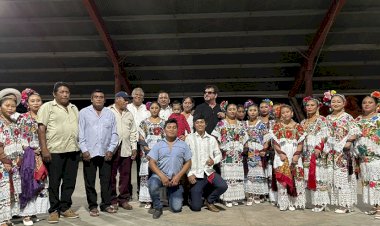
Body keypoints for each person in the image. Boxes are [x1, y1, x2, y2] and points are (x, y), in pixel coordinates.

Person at [37, 82, 80, 223]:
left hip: (73, 150)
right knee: (54, 182)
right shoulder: (47, 107)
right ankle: (54, 210)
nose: (65, 94)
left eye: (67, 92)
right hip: (54, 151)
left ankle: (65, 207)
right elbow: (41, 129)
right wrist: (44, 149)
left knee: (69, 182)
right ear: (54, 94)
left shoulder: (74, 108)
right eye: (61, 92)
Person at [79, 89, 119, 217]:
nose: (98, 99)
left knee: (106, 181)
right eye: (96, 97)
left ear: (104, 99)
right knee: (90, 181)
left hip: (105, 153)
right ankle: (93, 206)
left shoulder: (110, 113)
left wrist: (111, 149)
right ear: (91, 99)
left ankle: (106, 204)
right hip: (89, 153)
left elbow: (114, 133)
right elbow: (80, 133)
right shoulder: (84, 112)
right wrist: (84, 150)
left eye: (101, 97)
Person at [323, 90, 361, 214]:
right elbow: (325, 134)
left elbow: (355, 131)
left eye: (338, 101)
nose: (336, 103)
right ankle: (340, 202)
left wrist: (348, 142)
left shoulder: (347, 117)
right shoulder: (328, 118)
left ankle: (347, 205)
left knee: (343, 178)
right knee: (335, 178)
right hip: (332, 151)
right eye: (333, 101)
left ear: (344, 103)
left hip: (343, 152)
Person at [147, 119, 192, 219]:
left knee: (176, 208)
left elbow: (188, 162)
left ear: (177, 130)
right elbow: (152, 162)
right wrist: (162, 176)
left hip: (176, 179)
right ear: (164, 130)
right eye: (169, 127)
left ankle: (171, 192)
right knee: (152, 184)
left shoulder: (183, 145)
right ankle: (158, 207)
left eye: (174, 127)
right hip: (160, 176)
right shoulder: (158, 145)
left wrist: (179, 176)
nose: (171, 130)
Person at [18, 88, 49, 226]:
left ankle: (35, 211)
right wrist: (33, 149)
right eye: (33, 101)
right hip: (30, 156)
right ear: (27, 103)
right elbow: (21, 137)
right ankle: (26, 214)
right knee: (28, 182)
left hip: (44, 154)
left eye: (38, 100)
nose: (36, 103)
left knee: (41, 182)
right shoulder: (23, 118)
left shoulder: (45, 117)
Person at [186, 115, 227, 212]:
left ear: (206, 124)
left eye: (202, 122)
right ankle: (191, 196)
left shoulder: (211, 139)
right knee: (196, 208)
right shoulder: (189, 138)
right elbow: (185, 158)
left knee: (223, 186)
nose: (200, 124)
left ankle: (209, 201)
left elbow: (219, 155)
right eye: (197, 122)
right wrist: (189, 174)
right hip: (196, 173)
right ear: (194, 125)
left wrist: (214, 161)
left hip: (208, 172)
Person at [270, 105, 305, 211]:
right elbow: (275, 142)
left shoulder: (298, 126)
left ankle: (294, 202)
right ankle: (284, 203)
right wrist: (280, 153)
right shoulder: (276, 126)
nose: (285, 114)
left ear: (292, 113)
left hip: (294, 154)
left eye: (287, 112)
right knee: (282, 179)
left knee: (296, 177)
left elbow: (300, 143)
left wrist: (296, 155)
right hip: (282, 154)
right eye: (283, 113)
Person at [211, 103, 246, 207]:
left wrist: (242, 148)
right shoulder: (221, 123)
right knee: (228, 176)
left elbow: (245, 139)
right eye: (230, 109)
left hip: (238, 155)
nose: (232, 111)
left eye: (234, 109)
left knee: (237, 177)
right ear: (226, 111)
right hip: (226, 154)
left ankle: (236, 197)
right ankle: (227, 199)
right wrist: (219, 150)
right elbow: (215, 138)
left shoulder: (241, 124)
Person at [300, 97, 330, 212]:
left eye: (312, 105)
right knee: (308, 176)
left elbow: (325, 134)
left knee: (318, 175)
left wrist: (319, 147)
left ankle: (321, 202)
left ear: (318, 107)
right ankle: (312, 201)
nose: (310, 107)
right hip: (306, 152)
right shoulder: (303, 122)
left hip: (317, 152)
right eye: (308, 105)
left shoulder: (321, 120)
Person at [109, 92, 138, 210]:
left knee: (125, 175)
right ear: (117, 99)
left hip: (126, 147)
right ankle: (112, 199)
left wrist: (134, 147)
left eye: (127, 100)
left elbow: (133, 132)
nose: (127, 102)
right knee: (111, 175)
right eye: (125, 100)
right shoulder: (108, 111)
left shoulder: (129, 114)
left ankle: (123, 199)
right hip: (112, 148)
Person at [355, 91, 380, 219]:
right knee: (369, 181)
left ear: (377, 105)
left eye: (370, 102)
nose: (367, 104)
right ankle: (376, 205)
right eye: (364, 102)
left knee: (377, 180)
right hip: (363, 157)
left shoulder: (379, 118)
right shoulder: (358, 119)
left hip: (377, 155)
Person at [0, 89, 23, 226]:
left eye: (13, 106)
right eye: (7, 105)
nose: (10, 108)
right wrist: (4, 160)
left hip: (14, 161)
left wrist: (19, 157)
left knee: (10, 190)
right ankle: (2, 219)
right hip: (3, 162)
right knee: (2, 189)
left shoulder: (14, 121)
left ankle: (7, 217)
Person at [137, 102, 165, 208]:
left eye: (156, 108)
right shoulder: (144, 122)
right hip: (147, 153)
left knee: (160, 174)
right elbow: (141, 138)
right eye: (152, 108)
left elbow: (167, 139)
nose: (154, 110)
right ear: (150, 109)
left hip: (161, 153)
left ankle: (160, 199)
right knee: (146, 175)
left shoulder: (164, 123)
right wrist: (147, 149)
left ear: (159, 109)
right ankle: (148, 199)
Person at [243, 100, 270, 205]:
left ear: (258, 112)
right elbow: (241, 138)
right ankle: (249, 195)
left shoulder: (261, 124)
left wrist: (264, 149)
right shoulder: (244, 124)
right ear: (247, 112)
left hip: (258, 151)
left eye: (255, 110)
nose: (253, 112)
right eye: (250, 110)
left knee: (258, 172)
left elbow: (267, 138)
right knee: (248, 172)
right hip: (248, 151)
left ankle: (257, 194)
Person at [127, 87, 151, 199]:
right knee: (126, 167)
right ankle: (127, 192)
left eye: (140, 95)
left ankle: (140, 191)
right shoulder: (127, 107)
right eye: (136, 95)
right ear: (132, 96)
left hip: (142, 142)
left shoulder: (147, 109)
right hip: (128, 142)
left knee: (141, 167)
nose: (138, 96)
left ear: (143, 97)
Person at [259, 99, 277, 204]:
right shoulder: (256, 121)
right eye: (261, 107)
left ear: (270, 108)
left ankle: (272, 194)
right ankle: (261, 193)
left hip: (271, 150)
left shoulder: (274, 122)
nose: (264, 109)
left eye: (266, 107)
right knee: (260, 173)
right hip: (258, 150)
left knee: (270, 172)